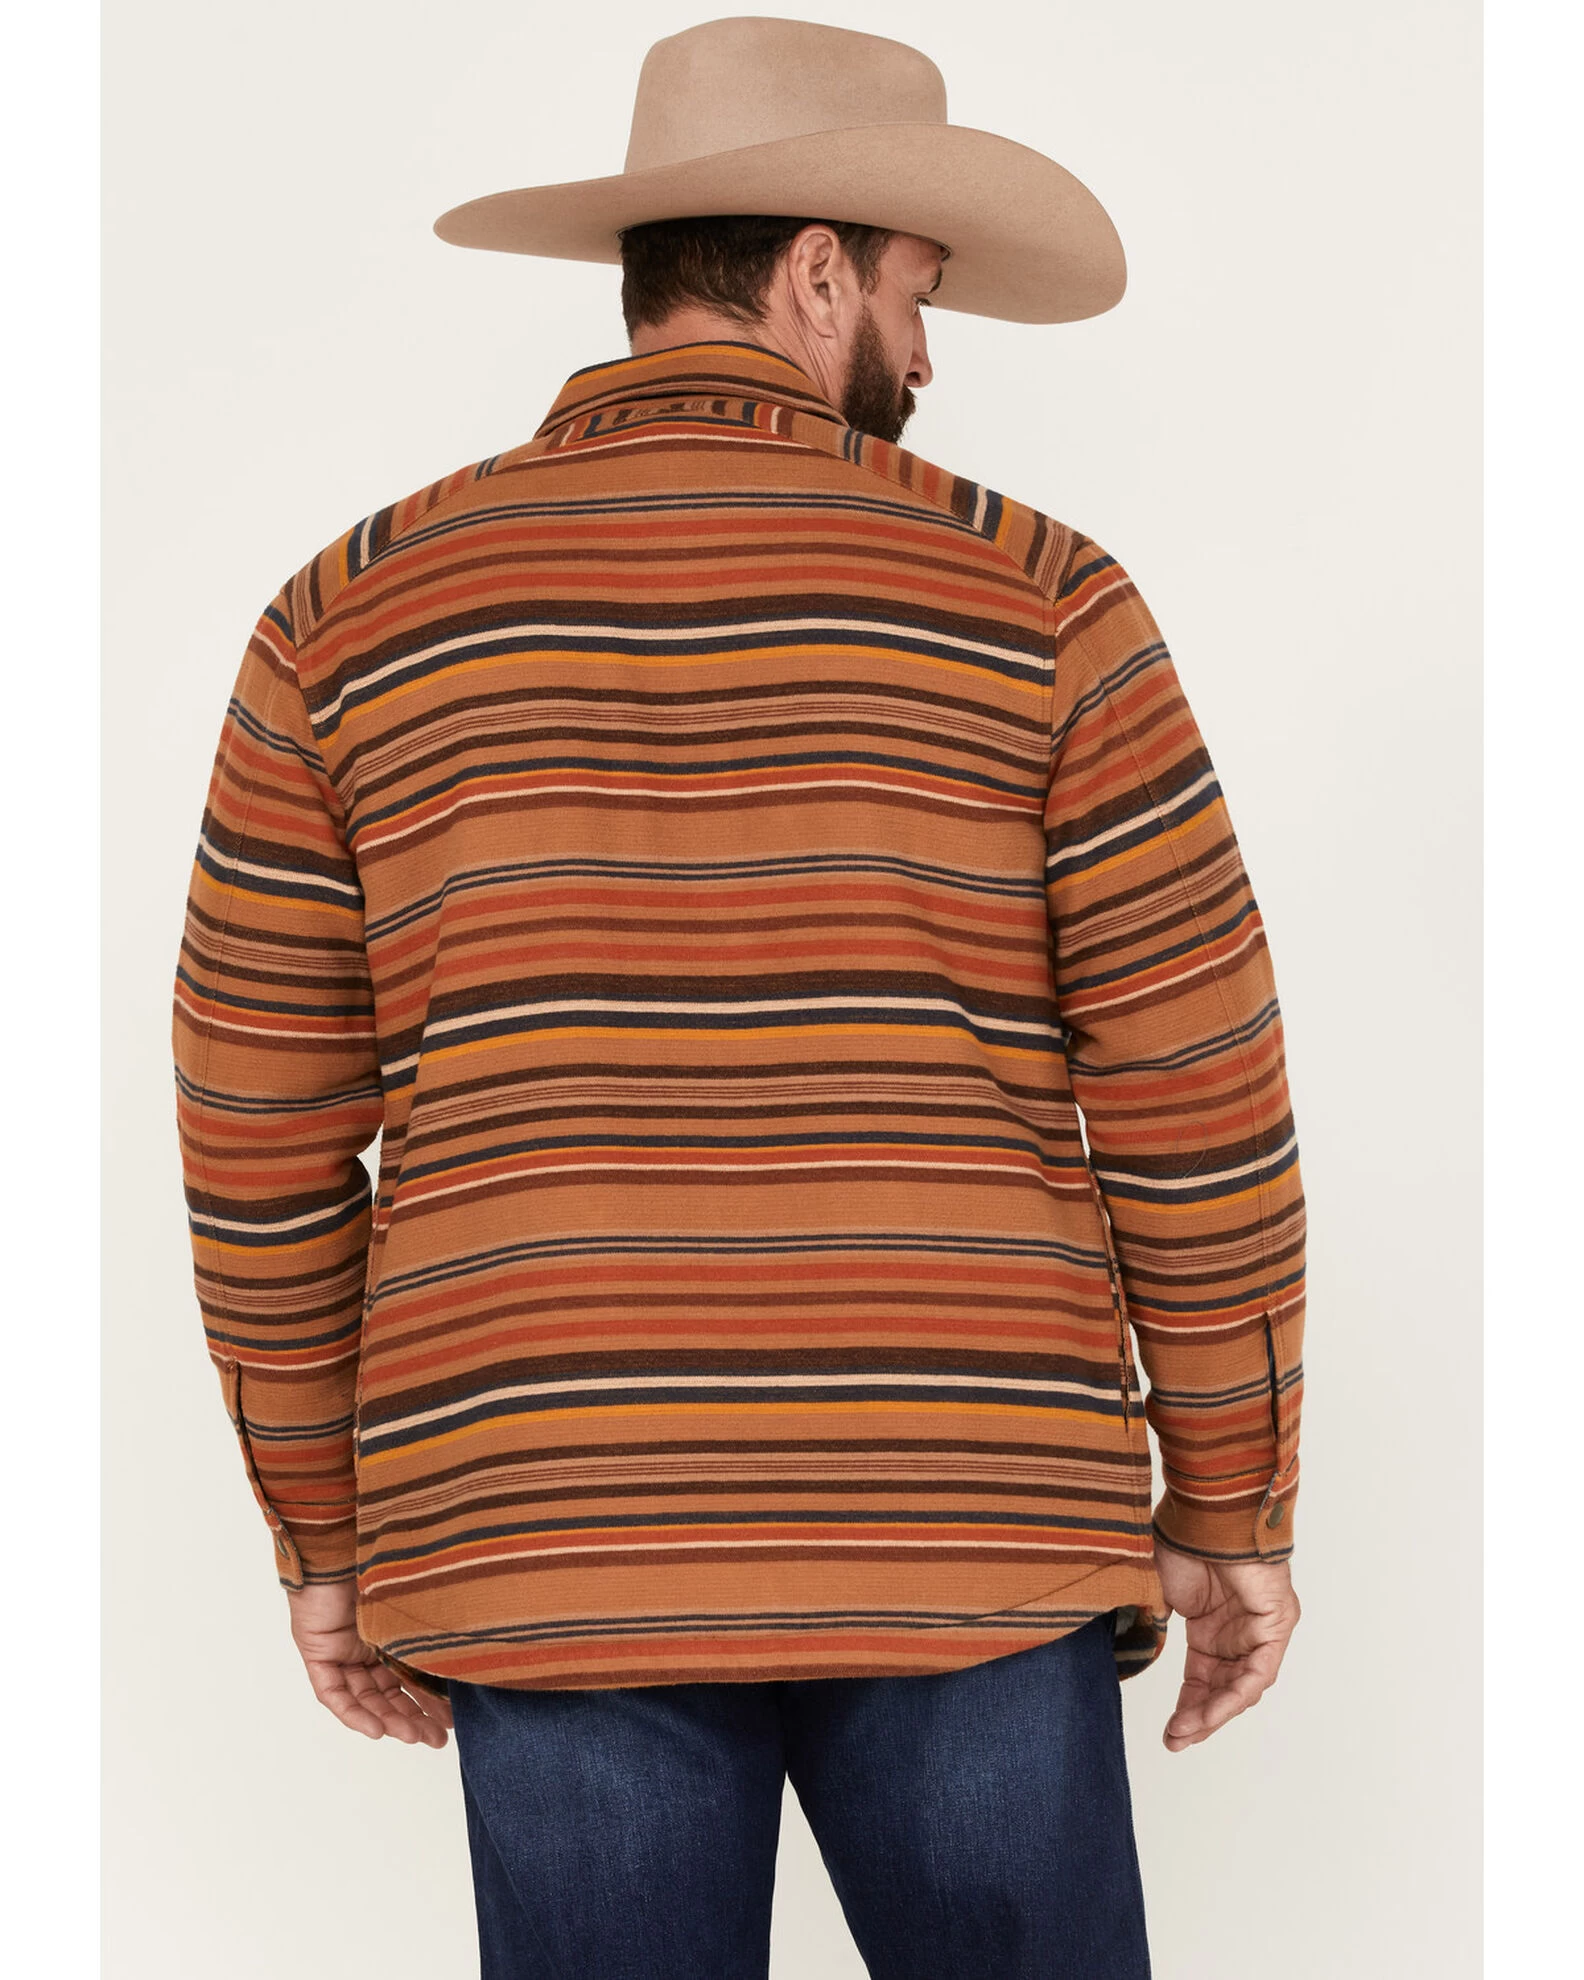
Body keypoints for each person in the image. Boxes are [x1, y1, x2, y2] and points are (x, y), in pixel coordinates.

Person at [170, 17, 1306, 1977]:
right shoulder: (1044, 603)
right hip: (966, 1517)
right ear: (817, 274)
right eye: (919, 293)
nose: (929, 358)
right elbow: (1196, 1094)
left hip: (547, 1524)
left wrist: (326, 1532)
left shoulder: (341, 621)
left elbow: (254, 1130)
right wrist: (1232, 1502)